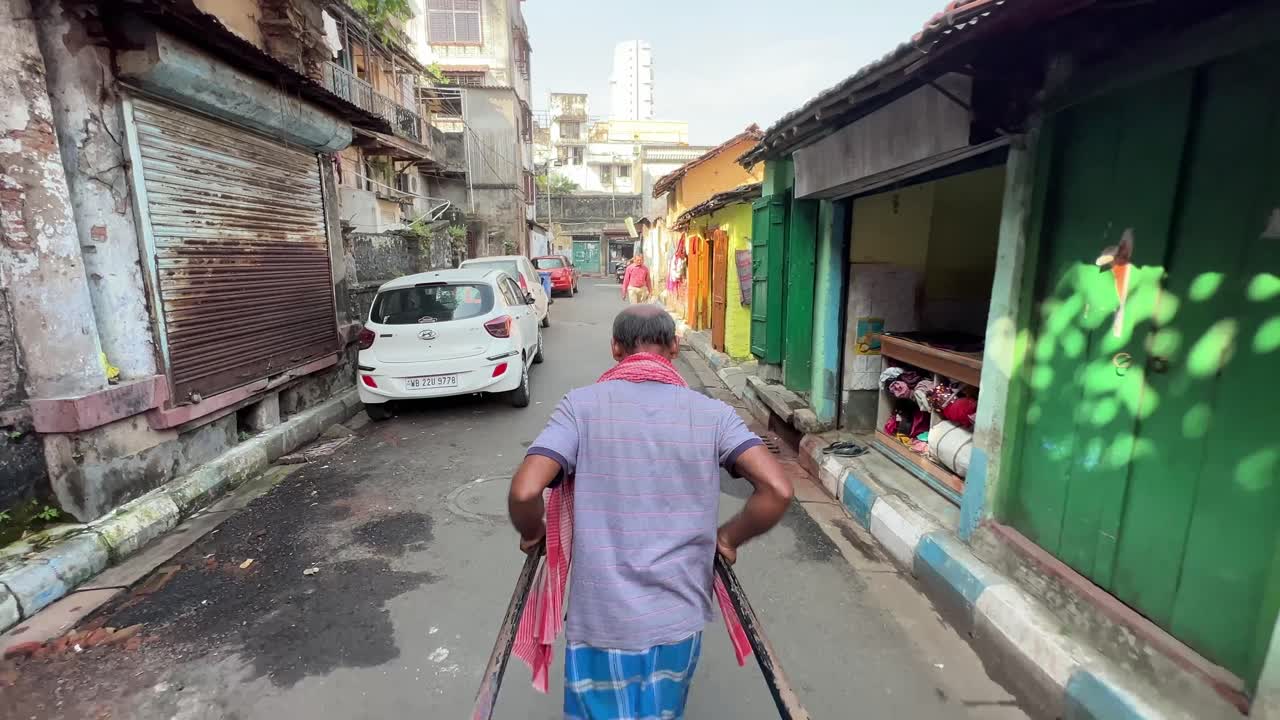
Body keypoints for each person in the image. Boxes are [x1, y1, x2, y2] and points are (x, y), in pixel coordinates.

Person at [508, 305, 793, 719]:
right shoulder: (713, 415)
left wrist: (533, 532)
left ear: (615, 348)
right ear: (675, 347)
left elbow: (525, 490)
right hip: (679, 618)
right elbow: (778, 488)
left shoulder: (580, 407)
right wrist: (728, 539)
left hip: (601, 621)